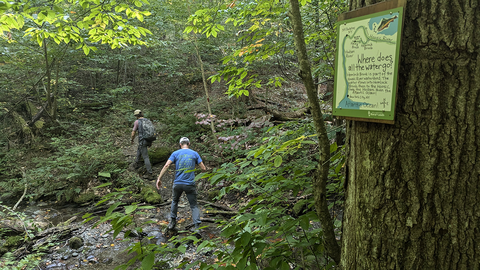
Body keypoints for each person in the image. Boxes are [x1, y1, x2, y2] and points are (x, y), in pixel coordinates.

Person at [156, 137, 206, 231]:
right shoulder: (194, 153)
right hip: (190, 184)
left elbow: (166, 165)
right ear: (189, 143)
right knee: (194, 205)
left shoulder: (175, 153)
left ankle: (172, 222)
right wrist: (199, 176)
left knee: (175, 201)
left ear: (180, 144)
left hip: (178, 183)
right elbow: (203, 168)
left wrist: (159, 178)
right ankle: (197, 227)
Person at [131, 109, 153, 178]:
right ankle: (137, 163)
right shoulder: (148, 121)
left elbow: (133, 132)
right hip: (148, 139)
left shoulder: (137, 122)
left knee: (145, 157)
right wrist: (150, 141)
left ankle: (150, 173)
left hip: (142, 140)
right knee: (139, 148)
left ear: (136, 115)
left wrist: (132, 139)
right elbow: (151, 131)